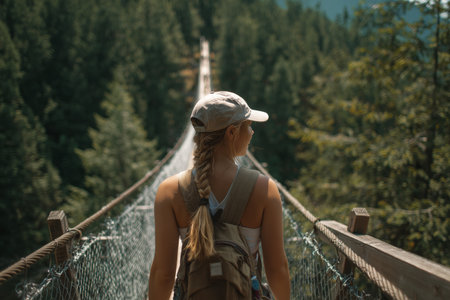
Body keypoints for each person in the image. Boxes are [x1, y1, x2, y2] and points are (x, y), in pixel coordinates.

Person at [148, 91, 290, 300]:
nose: (251, 133)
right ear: (232, 132)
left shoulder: (169, 191)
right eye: (248, 126)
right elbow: (277, 269)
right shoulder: (264, 189)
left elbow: (164, 274)